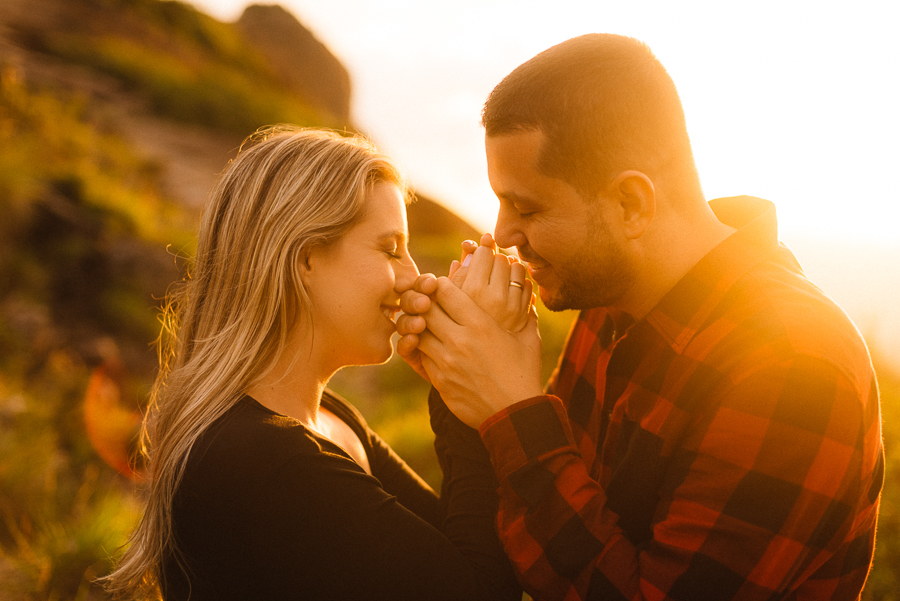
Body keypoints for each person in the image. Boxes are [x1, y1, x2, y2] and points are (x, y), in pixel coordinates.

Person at [397, 34, 884, 600]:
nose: (502, 234)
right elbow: (549, 523)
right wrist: (469, 381)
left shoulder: (793, 365)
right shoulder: (611, 298)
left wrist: (512, 410)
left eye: (527, 207)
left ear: (631, 203)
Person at [103, 127, 522, 601]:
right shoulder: (260, 457)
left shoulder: (334, 421)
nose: (413, 275)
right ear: (305, 259)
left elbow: (451, 551)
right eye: (389, 249)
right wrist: (469, 402)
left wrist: (457, 382)